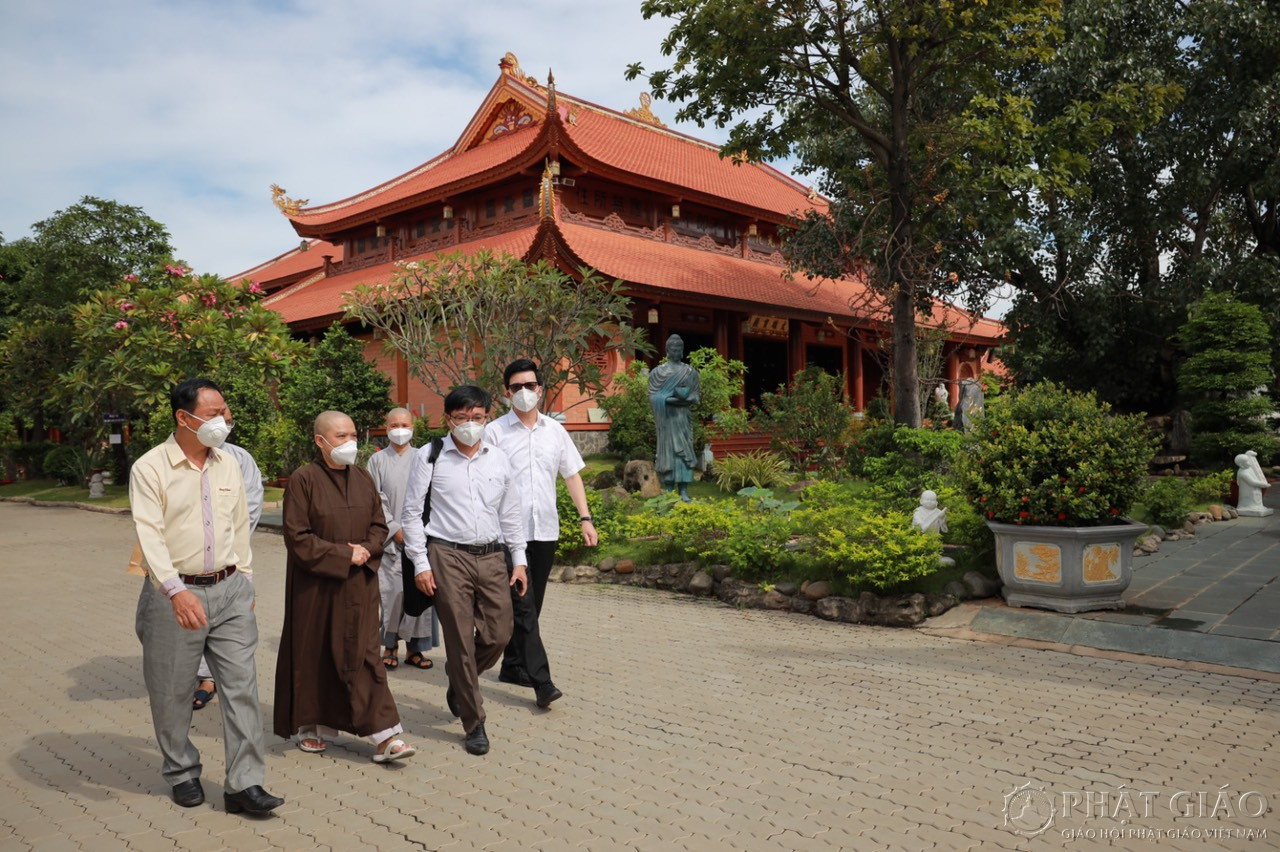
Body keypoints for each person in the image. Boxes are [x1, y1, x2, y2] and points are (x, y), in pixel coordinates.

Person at [130, 377, 282, 814]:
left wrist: (246, 580)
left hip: (231, 590)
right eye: (214, 414)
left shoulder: (228, 463)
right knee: (172, 691)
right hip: (174, 594)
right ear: (184, 417)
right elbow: (150, 536)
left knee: (241, 689)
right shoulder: (150, 467)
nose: (223, 422)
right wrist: (176, 593)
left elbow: (239, 525)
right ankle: (181, 770)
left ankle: (244, 785)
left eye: (224, 414)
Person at [273, 410, 416, 764]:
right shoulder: (303, 480)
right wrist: (341, 554)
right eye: (341, 436)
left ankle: (386, 736)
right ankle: (312, 726)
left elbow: (379, 525)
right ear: (320, 441)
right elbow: (297, 536)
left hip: (359, 584)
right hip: (316, 587)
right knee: (316, 652)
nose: (350, 443)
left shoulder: (363, 477)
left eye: (353, 435)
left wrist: (367, 549)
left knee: (366, 655)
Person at [401, 385, 528, 756]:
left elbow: (511, 514)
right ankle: (475, 723)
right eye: (462, 418)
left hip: (491, 556)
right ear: (448, 419)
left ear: (487, 417)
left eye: (477, 417)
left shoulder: (499, 459)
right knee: (458, 639)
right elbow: (411, 514)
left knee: (499, 634)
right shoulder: (431, 455)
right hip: (446, 554)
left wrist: (518, 560)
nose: (470, 425)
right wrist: (421, 564)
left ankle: (459, 681)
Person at [484, 360, 597, 708]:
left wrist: (585, 518)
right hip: (507, 535)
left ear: (540, 389)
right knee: (524, 606)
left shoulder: (555, 431)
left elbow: (572, 476)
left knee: (534, 604)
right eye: (515, 387)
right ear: (506, 393)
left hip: (545, 529)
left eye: (529, 385)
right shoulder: (494, 432)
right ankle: (541, 681)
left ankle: (513, 665)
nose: (523, 392)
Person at [193, 428, 264, 711]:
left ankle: (220, 679)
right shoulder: (171, 458)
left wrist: (234, 542)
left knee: (230, 623)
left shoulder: (239, 458)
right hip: (189, 563)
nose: (221, 425)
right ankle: (202, 677)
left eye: (228, 419)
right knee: (195, 620)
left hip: (230, 558)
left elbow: (250, 505)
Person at [366, 407, 439, 670]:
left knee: (421, 592)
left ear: (413, 428)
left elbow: (432, 496)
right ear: (385, 428)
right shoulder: (377, 461)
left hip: (421, 538)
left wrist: (417, 531)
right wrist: (394, 528)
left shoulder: (424, 457)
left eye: (405, 425)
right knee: (392, 593)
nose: (400, 430)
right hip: (391, 541)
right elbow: (374, 499)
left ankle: (415, 649)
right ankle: (390, 645)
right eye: (394, 424)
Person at [649, 334, 701, 502]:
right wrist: (667, 399)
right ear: (667, 350)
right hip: (667, 419)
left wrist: (686, 399)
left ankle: (684, 491)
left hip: (682, 418)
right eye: (673, 349)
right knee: (669, 453)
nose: (677, 352)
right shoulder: (658, 372)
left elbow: (695, 396)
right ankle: (669, 490)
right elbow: (653, 395)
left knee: (685, 453)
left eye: (680, 349)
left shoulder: (690, 372)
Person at [1235, 450, 1274, 517]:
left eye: (1249, 460)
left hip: (1254, 489)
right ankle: (1250, 507)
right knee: (1250, 500)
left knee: (1256, 497)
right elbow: (1252, 482)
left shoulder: (1248, 468)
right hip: (1248, 491)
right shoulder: (1243, 473)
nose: (1249, 462)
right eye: (1247, 461)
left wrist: (1249, 454)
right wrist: (1263, 484)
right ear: (1241, 465)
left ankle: (1258, 506)